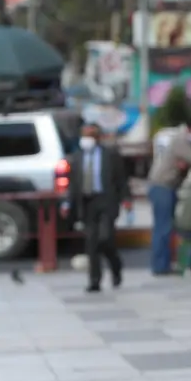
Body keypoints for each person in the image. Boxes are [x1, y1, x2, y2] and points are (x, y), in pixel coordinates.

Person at [64, 123, 131, 293]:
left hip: (106, 200)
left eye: (91, 135)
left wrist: (126, 199)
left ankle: (116, 266)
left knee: (106, 237)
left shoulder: (110, 155)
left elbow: (121, 180)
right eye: (85, 135)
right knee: (91, 243)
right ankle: (95, 280)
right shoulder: (76, 157)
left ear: (98, 137)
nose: (87, 139)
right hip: (87, 203)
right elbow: (73, 184)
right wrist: (66, 203)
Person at [147, 117, 191, 275]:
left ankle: (163, 264)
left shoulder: (184, 140)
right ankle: (160, 266)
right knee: (163, 227)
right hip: (162, 186)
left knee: (167, 226)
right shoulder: (180, 140)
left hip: (168, 186)